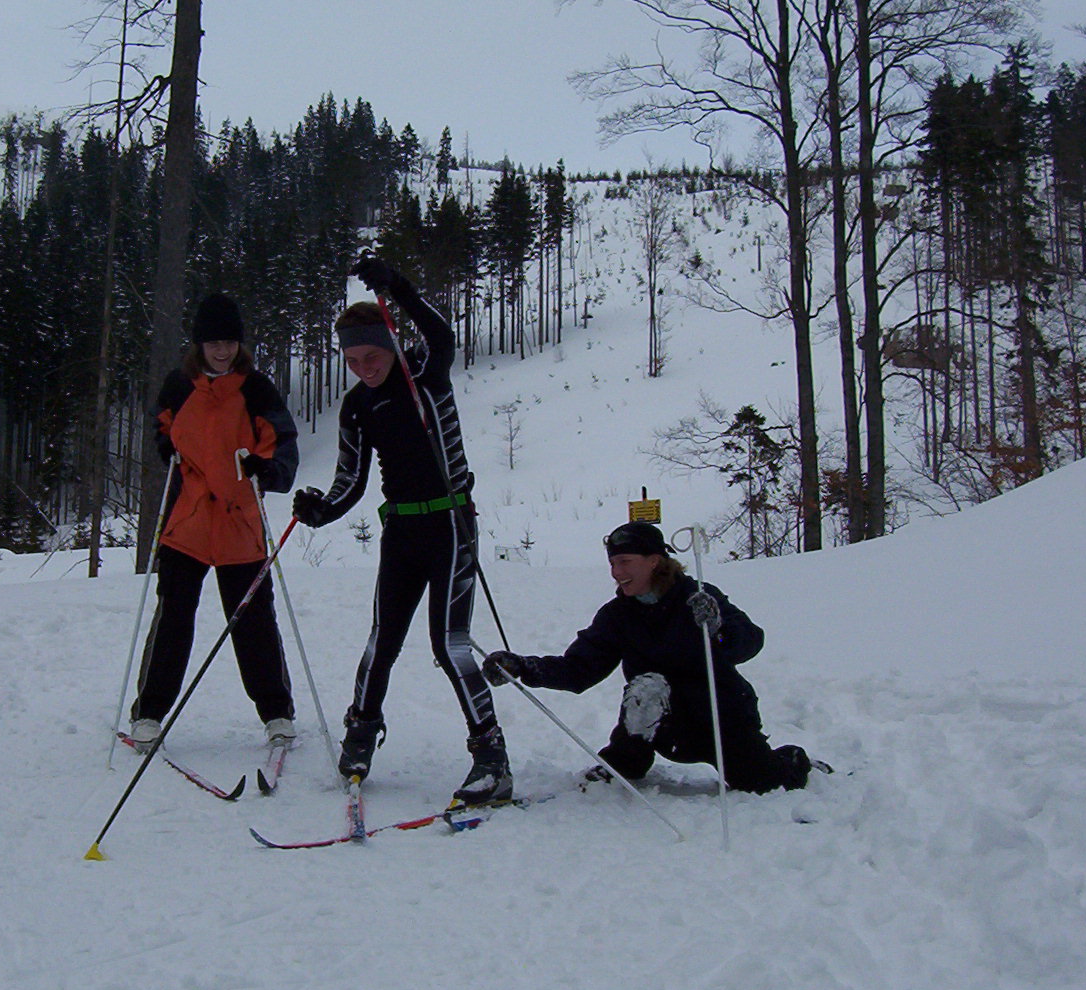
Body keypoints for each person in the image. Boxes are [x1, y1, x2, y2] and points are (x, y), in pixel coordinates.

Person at [291, 257, 508, 804]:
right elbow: (349, 480)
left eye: (372, 355)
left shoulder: (425, 374)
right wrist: (320, 509)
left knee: (449, 643)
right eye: (353, 359)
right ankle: (361, 733)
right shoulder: (357, 406)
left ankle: (492, 757)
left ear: (390, 346)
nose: (364, 367)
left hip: (451, 524)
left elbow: (441, 333)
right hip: (402, 533)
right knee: (381, 641)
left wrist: (400, 289)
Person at [481, 521, 823, 793]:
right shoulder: (618, 614)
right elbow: (579, 669)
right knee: (647, 685)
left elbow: (749, 641)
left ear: (654, 560)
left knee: (759, 783)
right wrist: (523, 667)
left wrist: (716, 629)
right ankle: (625, 762)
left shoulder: (699, 598)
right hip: (664, 725)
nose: (616, 571)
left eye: (625, 561)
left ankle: (792, 759)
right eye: (613, 563)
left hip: (720, 717)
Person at [127, 293, 299, 754]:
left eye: (229, 342)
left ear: (239, 344)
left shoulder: (256, 388)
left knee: (253, 622)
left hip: (240, 520)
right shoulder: (179, 385)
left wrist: (271, 470)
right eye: (212, 342)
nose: (221, 350)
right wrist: (167, 448)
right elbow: (162, 425)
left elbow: (282, 440)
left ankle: (277, 714)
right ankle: (148, 714)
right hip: (189, 521)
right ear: (198, 344)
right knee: (173, 620)